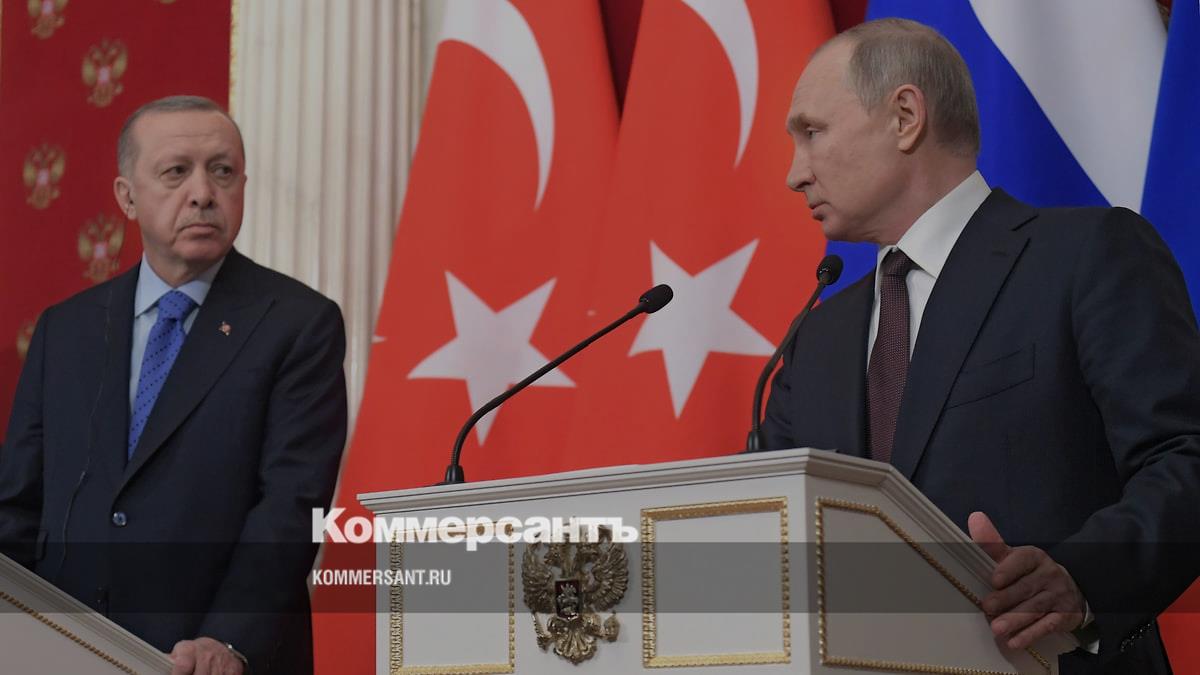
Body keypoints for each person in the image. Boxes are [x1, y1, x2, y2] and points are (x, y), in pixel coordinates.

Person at [763, 18, 1200, 674]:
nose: (795, 174)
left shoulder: (1085, 255)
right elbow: (765, 523)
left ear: (905, 117)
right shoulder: (817, 337)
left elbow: (1186, 455)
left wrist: (1082, 579)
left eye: (812, 132)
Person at [0, 95, 348, 675]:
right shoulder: (66, 329)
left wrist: (228, 639)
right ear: (127, 196)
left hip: (207, 660)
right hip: (64, 652)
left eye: (223, 171)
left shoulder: (298, 324)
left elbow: (291, 506)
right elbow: (17, 504)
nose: (203, 193)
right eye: (176, 171)